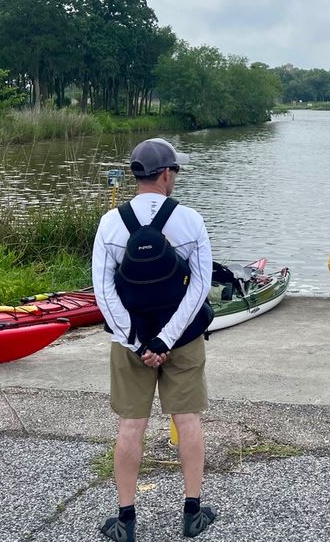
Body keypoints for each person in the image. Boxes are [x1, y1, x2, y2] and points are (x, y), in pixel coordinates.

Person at [92, 138, 217, 541]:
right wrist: (165, 340)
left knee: (131, 426)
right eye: (175, 171)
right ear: (166, 174)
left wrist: (137, 341)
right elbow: (200, 288)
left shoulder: (111, 223)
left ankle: (126, 521)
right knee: (188, 420)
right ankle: (192, 514)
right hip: (183, 339)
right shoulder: (190, 220)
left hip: (131, 344)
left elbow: (103, 291)